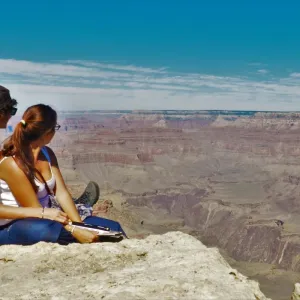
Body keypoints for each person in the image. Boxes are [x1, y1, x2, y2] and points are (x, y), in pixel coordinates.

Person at [0, 102, 126, 245]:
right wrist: (74, 231)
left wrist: (80, 226)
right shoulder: (13, 164)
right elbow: (35, 210)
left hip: (48, 218)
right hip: (16, 225)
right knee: (53, 231)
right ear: (48, 132)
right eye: (56, 128)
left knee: (113, 228)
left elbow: (62, 193)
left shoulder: (48, 154)